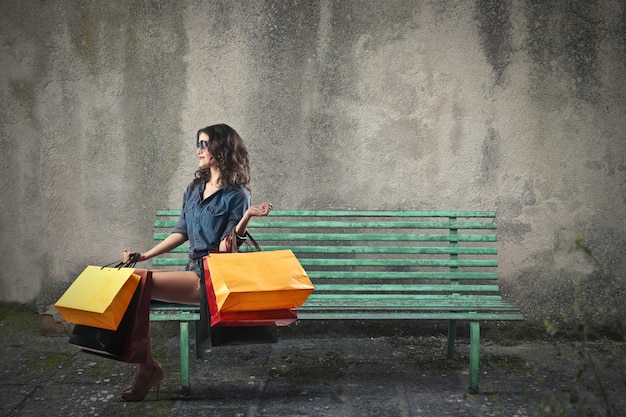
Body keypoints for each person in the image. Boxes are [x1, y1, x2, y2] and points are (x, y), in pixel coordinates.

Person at [120, 123, 272, 401]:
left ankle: (147, 370)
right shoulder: (193, 189)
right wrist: (145, 255)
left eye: (204, 144)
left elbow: (228, 248)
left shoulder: (237, 196)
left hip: (211, 277)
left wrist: (246, 217)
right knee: (132, 284)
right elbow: (181, 232)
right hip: (192, 271)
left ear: (221, 149)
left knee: (136, 282)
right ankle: (147, 367)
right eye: (198, 144)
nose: (199, 150)